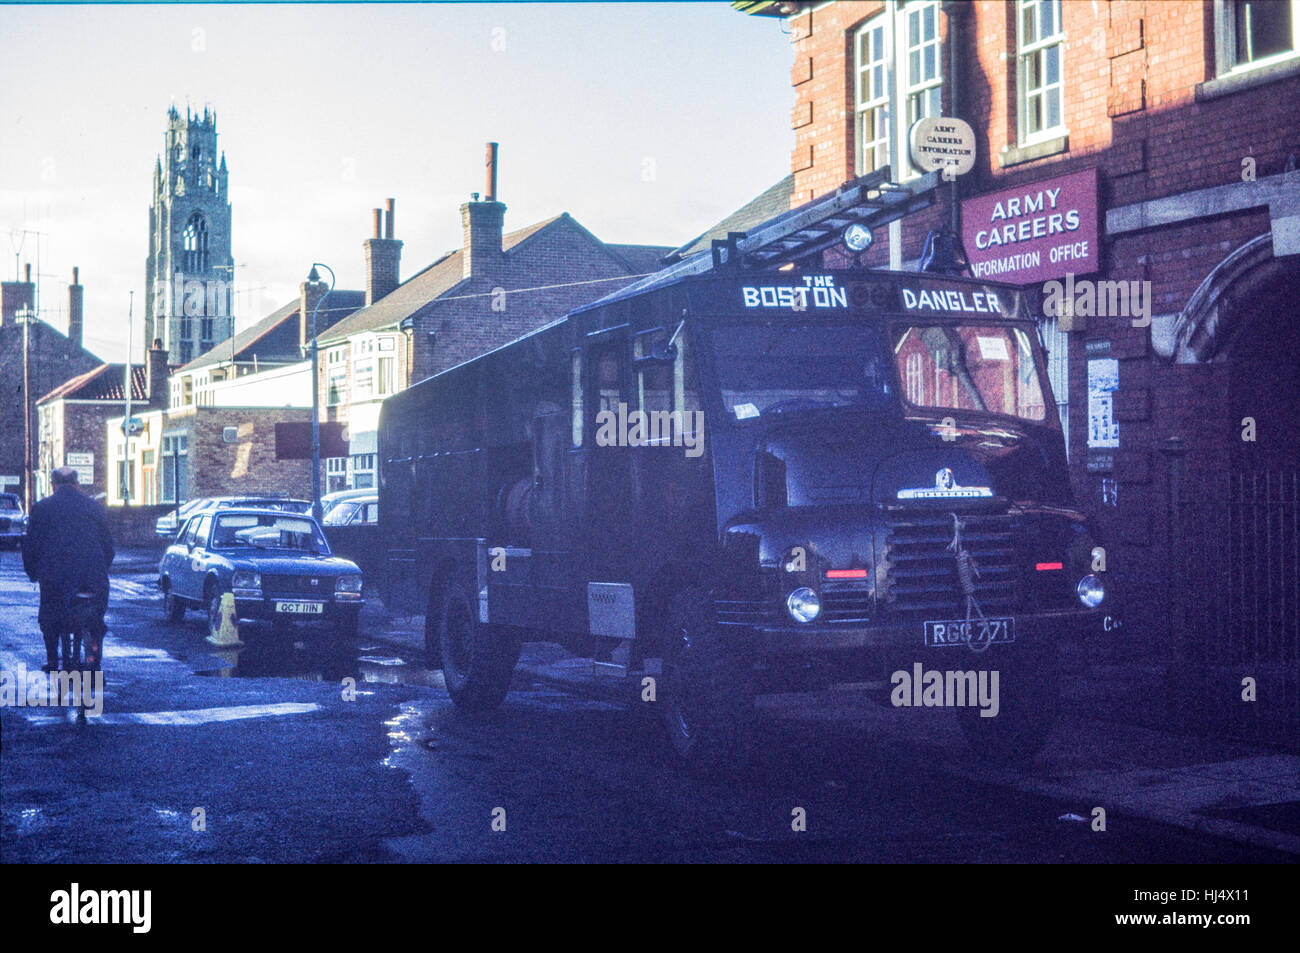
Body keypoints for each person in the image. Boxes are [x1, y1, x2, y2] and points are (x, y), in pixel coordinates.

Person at [21, 467, 115, 672]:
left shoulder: (42, 508)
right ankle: (94, 662)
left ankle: (54, 662)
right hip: (92, 580)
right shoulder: (94, 507)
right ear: (77, 484)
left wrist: (33, 573)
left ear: (53, 485)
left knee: (49, 618)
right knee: (95, 619)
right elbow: (108, 546)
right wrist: (101, 570)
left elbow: (30, 547)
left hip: (55, 579)